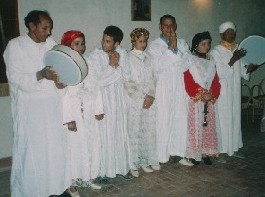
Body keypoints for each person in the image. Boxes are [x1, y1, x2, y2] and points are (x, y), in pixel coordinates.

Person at [3, 10, 71, 197]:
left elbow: (61, 70)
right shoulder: (15, 46)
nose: (49, 32)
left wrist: (60, 82)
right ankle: (32, 191)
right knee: (33, 153)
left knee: (55, 149)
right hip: (30, 111)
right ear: (31, 26)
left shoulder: (50, 44)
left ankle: (56, 188)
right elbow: (15, 79)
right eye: (44, 27)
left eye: (50, 27)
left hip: (51, 108)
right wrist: (41, 74)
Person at [60, 30, 104, 196]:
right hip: (75, 113)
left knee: (92, 144)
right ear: (68, 45)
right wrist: (69, 118)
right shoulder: (64, 65)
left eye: (82, 43)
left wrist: (99, 108)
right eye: (76, 44)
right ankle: (73, 181)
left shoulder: (89, 63)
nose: (80, 47)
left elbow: (96, 86)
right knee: (75, 147)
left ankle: (90, 176)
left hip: (90, 109)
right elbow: (63, 95)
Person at [148, 14, 193, 166]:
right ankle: (162, 155)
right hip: (163, 87)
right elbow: (157, 66)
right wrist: (171, 50)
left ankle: (178, 154)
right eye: (165, 25)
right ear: (160, 27)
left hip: (179, 87)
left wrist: (175, 50)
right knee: (163, 120)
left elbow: (187, 63)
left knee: (179, 118)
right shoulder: (154, 46)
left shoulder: (182, 43)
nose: (168, 28)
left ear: (175, 26)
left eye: (171, 25)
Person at [210, 21, 259, 160]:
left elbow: (242, 71)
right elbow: (218, 72)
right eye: (228, 32)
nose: (231, 34)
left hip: (235, 91)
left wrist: (248, 69)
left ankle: (234, 148)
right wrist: (233, 59)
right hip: (223, 92)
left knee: (235, 118)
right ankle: (221, 151)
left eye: (232, 31)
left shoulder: (238, 49)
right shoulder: (216, 51)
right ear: (221, 34)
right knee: (223, 119)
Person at [88, 25, 131, 179]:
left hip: (118, 99)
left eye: (108, 41)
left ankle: (118, 166)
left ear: (116, 43)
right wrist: (113, 66)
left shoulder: (122, 54)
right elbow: (98, 81)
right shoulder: (95, 56)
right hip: (103, 99)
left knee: (117, 131)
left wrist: (116, 68)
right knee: (104, 134)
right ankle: (104, 171)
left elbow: (126, 76)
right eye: (103, 39)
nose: (103, 43)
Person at [125, 28, 160, 177]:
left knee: (148, 130)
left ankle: (145, 160)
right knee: (134, 131)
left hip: (149, 100)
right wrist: (142, 96)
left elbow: (154, 77)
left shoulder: (149, 57)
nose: (143, 43)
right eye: (140, 41)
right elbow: (127, 81)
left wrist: (151, 95)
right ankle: (133, 163)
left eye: (145, 41)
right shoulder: (127, 57)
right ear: (133, 41)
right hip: (135, 100)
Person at [184, 32, 221, 165]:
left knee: (207, 127)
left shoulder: (211, 61)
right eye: (203, 44)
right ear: (196, 45)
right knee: (195, 126)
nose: (207, 46)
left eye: (208, 43)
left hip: (208, 99)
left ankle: (205, 152)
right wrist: (201, 93)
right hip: (196, 100)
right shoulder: (190, 60)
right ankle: (194, 153)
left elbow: (216, 81)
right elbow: (188, 80)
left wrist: (212, 94)